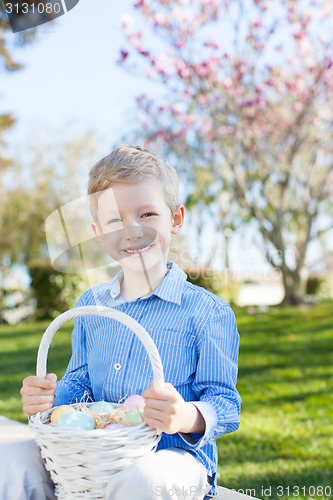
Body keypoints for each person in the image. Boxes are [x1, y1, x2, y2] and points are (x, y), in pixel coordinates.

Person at [0, 145, 241, 500]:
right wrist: (52, 397)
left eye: (147, 214)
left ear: (175, 219)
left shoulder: (207, 312)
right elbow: (81, 382)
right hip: (92, 456)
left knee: (141, 480)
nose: (132, 231)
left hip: (175, 458)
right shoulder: (91, 306)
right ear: (99, 232)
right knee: (11, 461)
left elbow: (225, 404)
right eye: (115, 220)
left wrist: (186, 415)